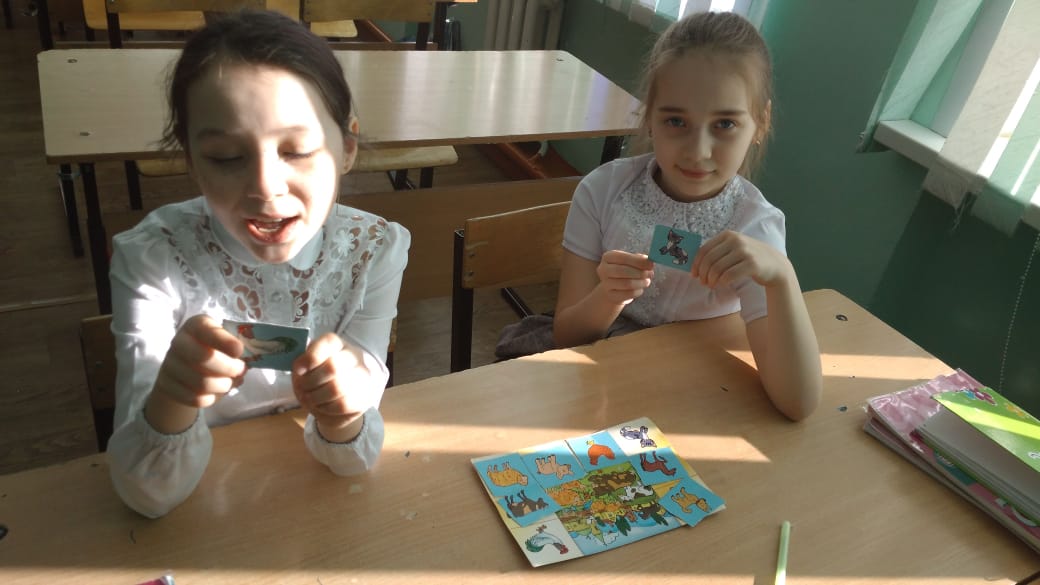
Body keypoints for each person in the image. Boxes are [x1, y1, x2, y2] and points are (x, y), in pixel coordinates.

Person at [106, 10, 410, 518]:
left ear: (347, 148)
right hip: (204, 507)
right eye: (226, 157)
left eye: (298, 150)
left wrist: (342, 412)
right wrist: (174, 397)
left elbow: (353, 459)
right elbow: (146, 496)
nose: (266, 188)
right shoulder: (153, 259)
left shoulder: (373, 249)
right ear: (191, 160)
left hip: (310, 505)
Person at [553, 11, 821, 421]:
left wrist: (782, 276)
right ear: (649, 117)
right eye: (676, 121)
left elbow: (798, 403)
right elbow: (566, 336)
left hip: (693, 399)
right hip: (600, 383)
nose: (698, 152)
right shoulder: (603, 191)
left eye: (725, 123)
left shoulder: (755, 228)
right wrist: (608, 296)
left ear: (760, 123)